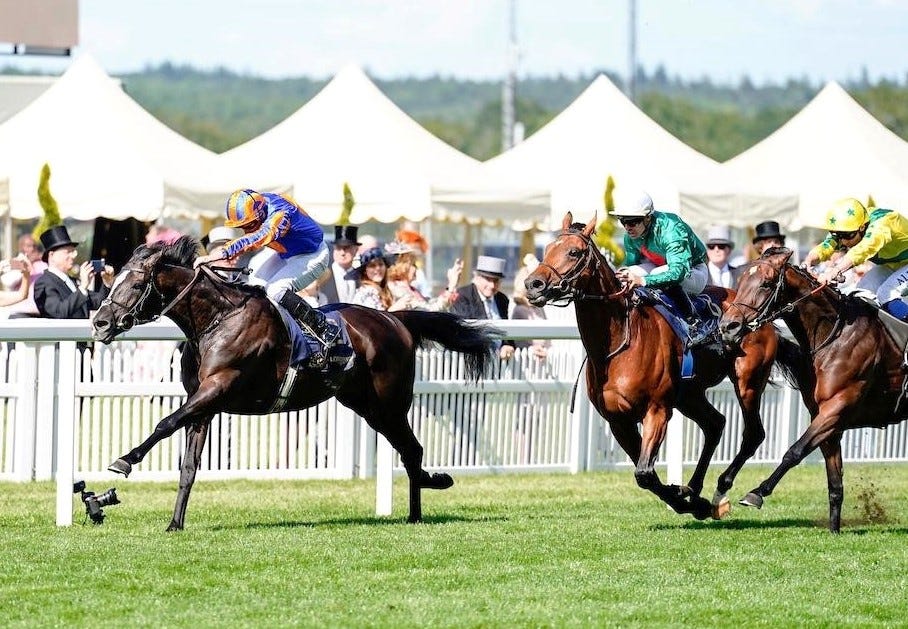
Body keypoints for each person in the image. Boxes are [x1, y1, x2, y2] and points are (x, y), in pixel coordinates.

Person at [193, 189, 339, 353]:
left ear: (261, 213)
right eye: (242, 227)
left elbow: (257, 238)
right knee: (255, 283)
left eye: (249, 225)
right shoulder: (260, 206)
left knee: (276, 290)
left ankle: (322, 327)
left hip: (312, 255)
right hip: (285, 251)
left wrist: (217, 255)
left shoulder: (280, 215)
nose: (247, 230)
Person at [611, 189, 710, 338]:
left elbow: (679, 272)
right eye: (623, 220)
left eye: (632, 221)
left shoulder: (671, 229)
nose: (627, 227)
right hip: (659, 267)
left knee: (657, 273)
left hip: (693, 271)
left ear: (647, 218)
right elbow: (631, 267)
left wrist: (643, 281)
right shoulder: (630, 236)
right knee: (627, 273)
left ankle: (694, 321)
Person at [802, 197, 908, 320]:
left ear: (862, 227)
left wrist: (835, 270)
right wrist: (808, 261)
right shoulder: (852, 227)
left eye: (846, 235)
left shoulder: (883, 224)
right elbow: (827, 245)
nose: (843, 241)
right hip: (895, 264)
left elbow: (863, 250)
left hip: (900, 264)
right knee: (862, 292)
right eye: (838, 235)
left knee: (886, 294)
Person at [33, 225, 113, 319]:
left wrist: (106, 283)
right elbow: (58, 312)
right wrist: (83, 287)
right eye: (67, 252)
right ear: (52, 255)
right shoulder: (44, 282)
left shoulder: (71, 281)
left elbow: (98, 302)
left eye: (73, 251)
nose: (73, 256)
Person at [451, 255, 515, 360]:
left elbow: (506, 327)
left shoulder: (502, 299)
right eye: (488, 280)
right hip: (472, 360)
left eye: (496, 281)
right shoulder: (463, 295)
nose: (492, 285)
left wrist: (507, 345)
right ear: (476, 277)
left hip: (500, 362)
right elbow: (467, 329)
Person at [385, 242, 462, 312]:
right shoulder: (397, 289)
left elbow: (430, 303)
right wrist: (451, 285)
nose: (416, 269)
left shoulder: (410, 289)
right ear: (401, 267)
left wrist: (451, 287)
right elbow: (431, 311)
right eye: (412, 265)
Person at [511, 254, 549, 361]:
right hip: (524, 360)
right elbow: (517, 341)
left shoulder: (539, 308)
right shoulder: (519, 310)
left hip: (542, 359)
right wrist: (533, 349)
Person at [349, 246, 410, 312]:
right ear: (365, 271)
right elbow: (372, 320)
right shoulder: (366, 293)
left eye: (380, 264)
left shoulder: (385, 290)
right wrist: (394, 309)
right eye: (372, 266)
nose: (378, 268)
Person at [2, 233, 48, 317]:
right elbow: (7, 282)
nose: (32, 249)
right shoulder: (16, 262)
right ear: (21, 247)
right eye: (29, 246)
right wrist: (25, 265)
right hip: (20, 312)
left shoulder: (42, 264)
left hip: (39, 313)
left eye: (34, 246)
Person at [321, 225, 360, 303]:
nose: (342, 253)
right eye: (338, 248)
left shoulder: (360, 277)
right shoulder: (322, 275)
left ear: (356, 250)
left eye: (347, 248)